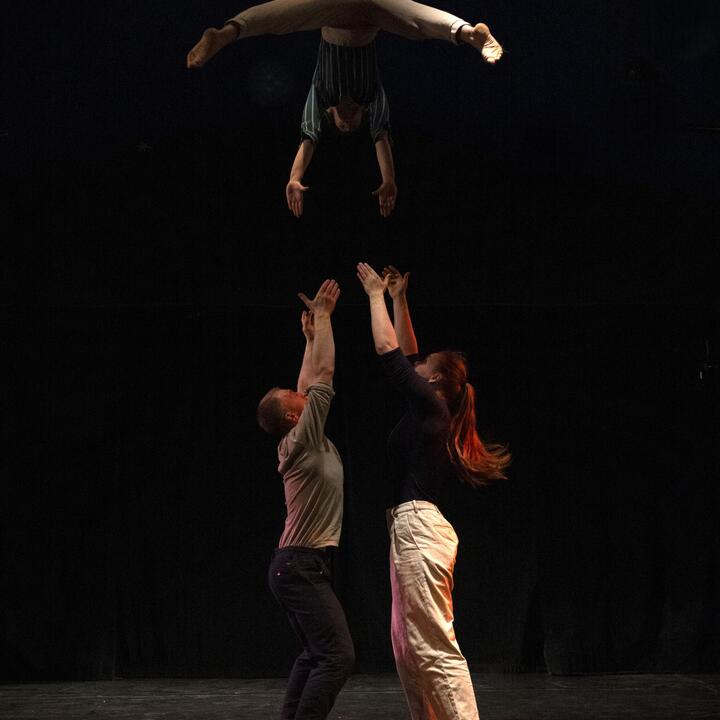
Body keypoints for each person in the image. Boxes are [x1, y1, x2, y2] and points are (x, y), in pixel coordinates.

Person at [355, 262, 510, 720]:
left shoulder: (431, 406)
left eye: (424, 367)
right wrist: (399, 299)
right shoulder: (429, 407)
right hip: (413, 529)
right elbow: (407, 355)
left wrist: (374, 296)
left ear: (435, 380)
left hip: (419, 530)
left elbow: (389, 353)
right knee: (408, 650)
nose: (416, 366)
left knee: (434, 649)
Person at [187, 0, 504, 218]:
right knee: (411, 18)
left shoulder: (321, 96)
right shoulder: (371, 95)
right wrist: (389, 181)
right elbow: (381, 138)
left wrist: (295, 177)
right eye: (355, 126)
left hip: (333, 12)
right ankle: (470, 34)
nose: (349, 123)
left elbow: (308, 139)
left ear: (330, 116)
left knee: (285, 15)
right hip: (370, 14)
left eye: (341, 127)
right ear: (364, 116)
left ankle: (224, 34)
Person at [256, 279, 354, 720]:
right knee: (337, 656)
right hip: (299, 566)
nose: (303, 391)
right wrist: (327, 319)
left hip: (295, 565)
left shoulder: (301, 438)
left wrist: (310, 339)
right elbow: (323, 376)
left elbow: (305, 381)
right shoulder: (303, 439)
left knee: (316, 654)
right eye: (297, 398)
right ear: (296, 415)